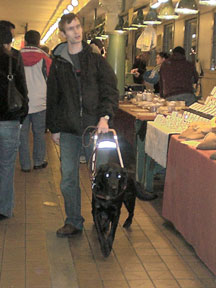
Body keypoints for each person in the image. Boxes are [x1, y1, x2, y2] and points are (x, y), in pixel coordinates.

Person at [46, 13, 119, 238]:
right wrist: (54, 127)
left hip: (96, 128)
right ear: (63, 33)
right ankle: (73, 221)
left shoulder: (95, 59)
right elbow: (53, 97)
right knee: (68, 178)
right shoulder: (58, 64)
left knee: (101, 175)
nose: (76, 32)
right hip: (68, 130)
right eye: (71, 28)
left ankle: (103, 217)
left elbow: (109, 89)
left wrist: (105, 116)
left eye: (78, 27)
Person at [0, 26, 28, 218]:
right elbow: (23, 91)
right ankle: (3, 209)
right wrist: (21, 117)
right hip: (9, 120)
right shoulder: (14, 59)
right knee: (7, 166)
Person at [19, 30, 52, 172]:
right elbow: (51, 79)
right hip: (41, 102)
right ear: (38, 42)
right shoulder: (45, 58)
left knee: (23, 135)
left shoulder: (16, 56)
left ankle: (25, 165)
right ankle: (39, 161)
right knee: (39, 133)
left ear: (25, 41)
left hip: (21, 102)